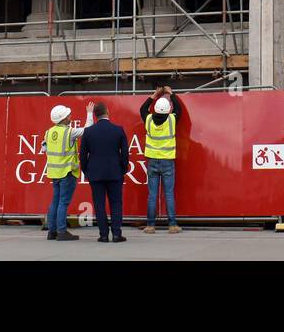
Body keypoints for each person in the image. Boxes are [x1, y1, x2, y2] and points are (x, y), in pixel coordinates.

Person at [79, 101, 129, 243]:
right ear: (107, 112)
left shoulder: (89, 132)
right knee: (116, 203)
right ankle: (117, 234)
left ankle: (103, 234)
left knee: (99, 203)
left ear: (95, 115)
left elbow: (82, 155)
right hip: (115, 172)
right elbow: (125, 153)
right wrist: (123, 169)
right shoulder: (118, 130)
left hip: (95, 173)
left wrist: (87, 170)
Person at [139, 86, 185, 234]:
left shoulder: (148, 119)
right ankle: (172, 225)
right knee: (169, 194)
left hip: (152, 161)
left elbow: (143, 109)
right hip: (167, 162)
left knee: (152, 195)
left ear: (156, 109)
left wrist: (154, 95)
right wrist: (172, 93)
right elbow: (179, 109)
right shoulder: (172, 120)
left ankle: (150, 226)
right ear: (168, 109)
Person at [44, 102, 91, 241]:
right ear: (63, 119)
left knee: (55, 201)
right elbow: (88, 130)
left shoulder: (49, 132)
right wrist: (89, 113)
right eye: (68, 115)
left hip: (54, 172)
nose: (70, 116)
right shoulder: (69, 132)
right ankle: (62, 231)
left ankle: (51, 232)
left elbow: (44, 148)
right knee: (63, 202)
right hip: (67, 172)